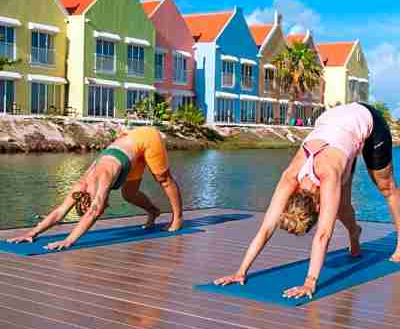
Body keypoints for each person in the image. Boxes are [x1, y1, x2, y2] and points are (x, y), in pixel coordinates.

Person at [215, 102, 400, 300]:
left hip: (367, 121)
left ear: (318, 207)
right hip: (336, 126)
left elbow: (323, 235)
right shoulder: (290, 178)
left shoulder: (328, 175)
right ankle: (355, 233)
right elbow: (265, 229)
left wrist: (309, 282)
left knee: (386, 188)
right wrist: (240, 271)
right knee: (340, 205)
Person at [7, 126, 184, 251]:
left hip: (146, 139)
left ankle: (177, 218)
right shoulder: (81, 187)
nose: (104, 207)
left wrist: (68, 240)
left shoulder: (104, 179)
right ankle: (154, 211)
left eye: (102, 206)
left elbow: (94, 212)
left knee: (163, 179)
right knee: (129, 194)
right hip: (130, 153)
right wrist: (32, 233)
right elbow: (60, 212)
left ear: (90, 201)